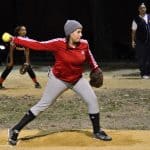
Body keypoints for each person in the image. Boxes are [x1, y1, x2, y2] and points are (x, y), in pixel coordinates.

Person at [7, 20, 112, 145]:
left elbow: (90, 57)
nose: (81, 35)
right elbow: (38, 44)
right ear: (70, 33)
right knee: (44, 104)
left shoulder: (84, 44)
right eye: (78, 32)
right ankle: (15, 129)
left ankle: (97, 131)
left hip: (77, 79)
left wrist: (96, 68)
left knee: (92, 100)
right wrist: (16, 39)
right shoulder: (58, 44)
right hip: (58, 79)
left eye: (81, 32)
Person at [131, 3, 150, 79]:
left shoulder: (149, 17)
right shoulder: (136, 19)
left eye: (144, 8)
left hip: (149, 41)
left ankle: (148, 73)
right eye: (141, 8)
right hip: (140, 41)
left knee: (149, 57)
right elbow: (133, 31)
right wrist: (133, 41)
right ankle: (143, 73)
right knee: (142, 58)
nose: (143, 9)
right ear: (139, 10)